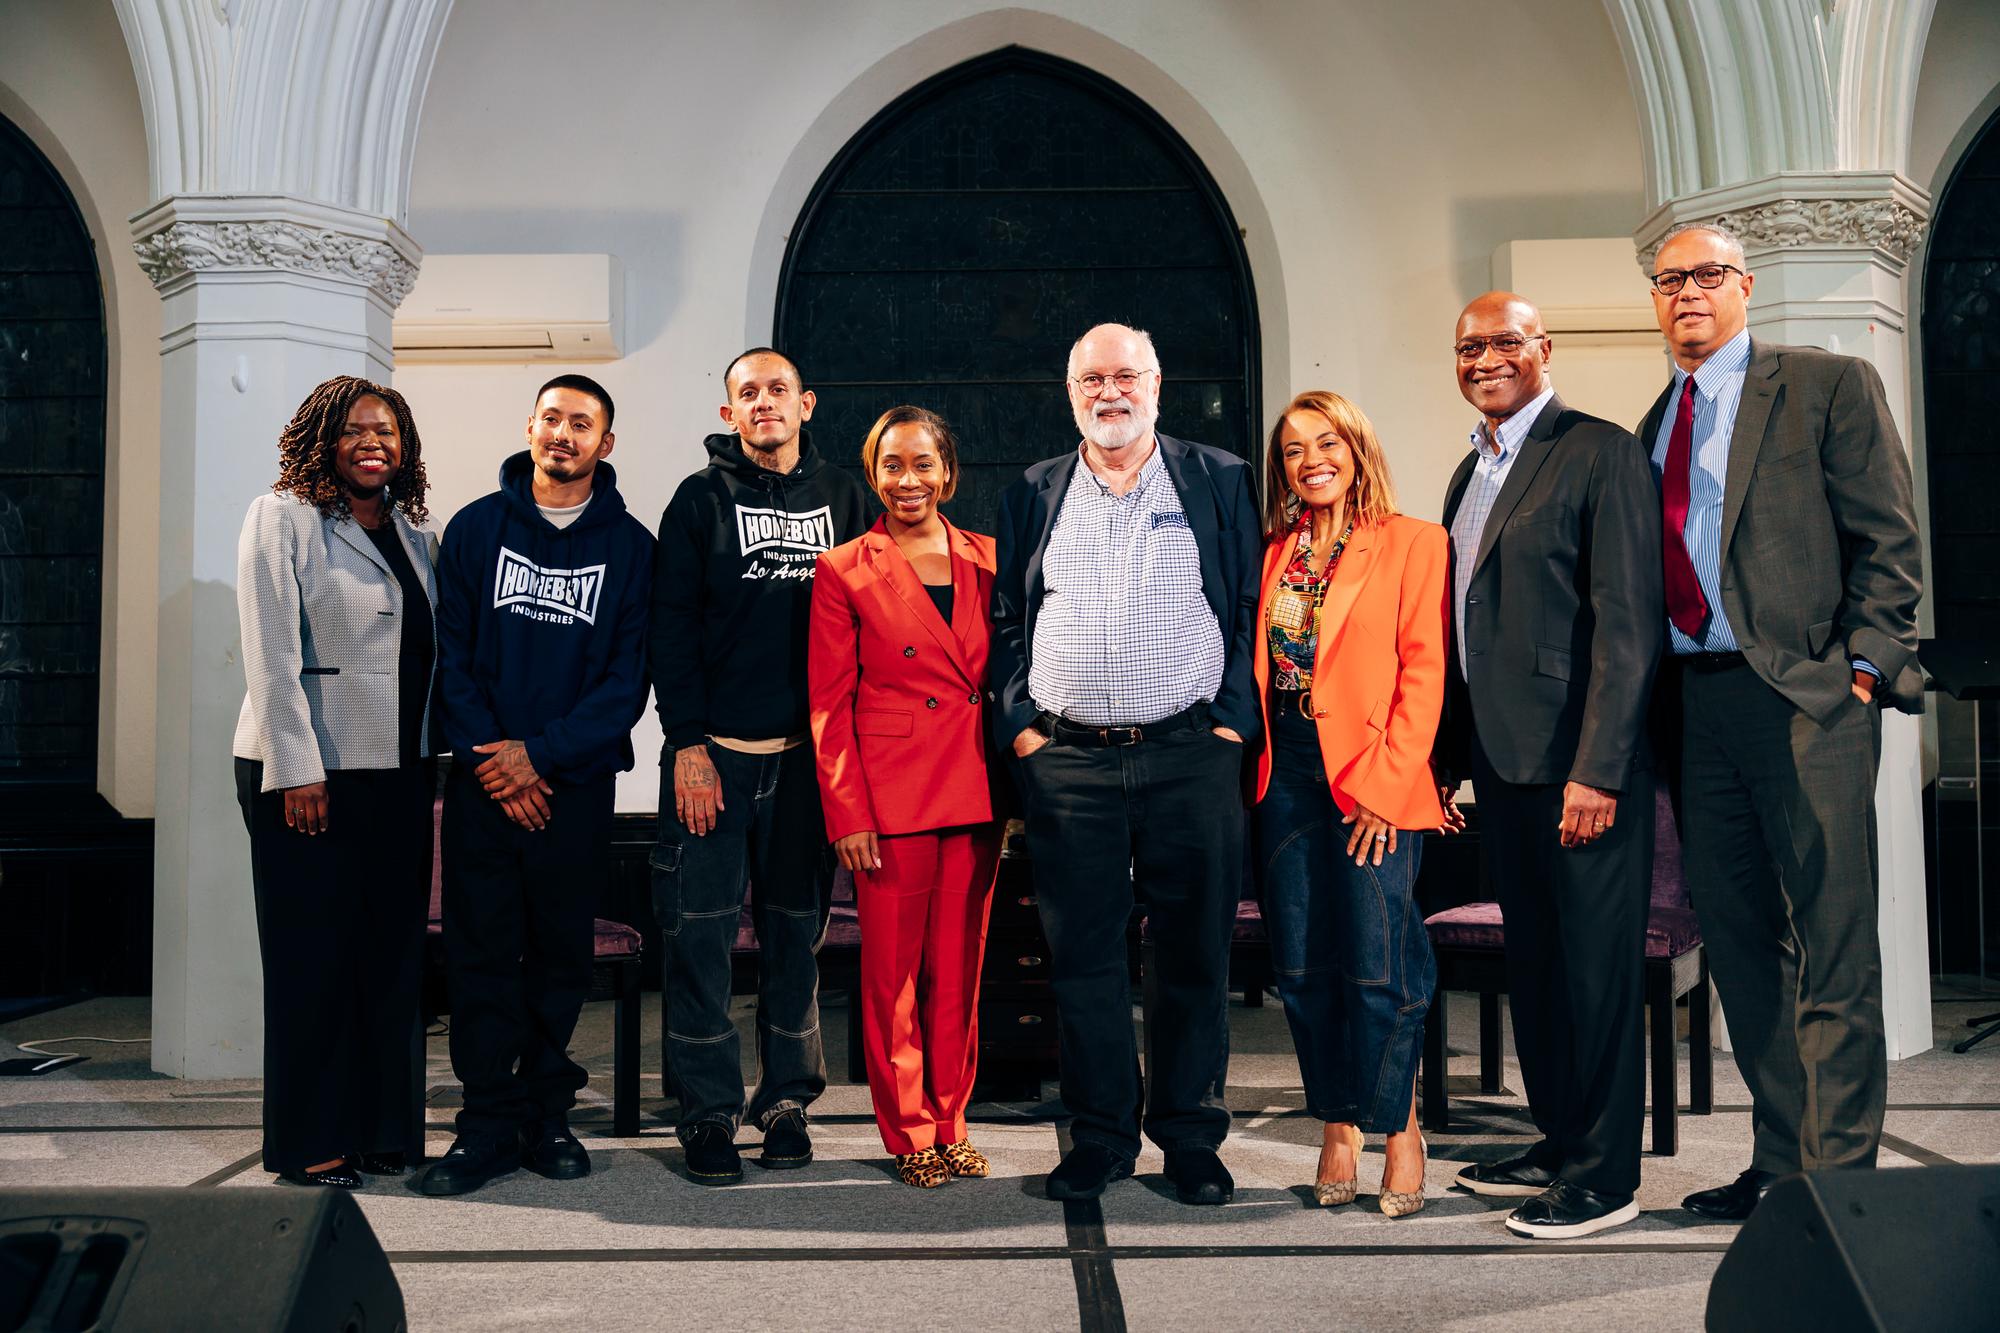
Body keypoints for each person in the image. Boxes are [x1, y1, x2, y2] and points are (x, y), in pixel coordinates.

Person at [1638, 224, 1923, 1222]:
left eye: (1704, 275)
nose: (1685, 293)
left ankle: (1838, 1189)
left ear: (1742, 285)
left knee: (1832, 945)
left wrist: (1861, 668)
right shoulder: (1655, 421)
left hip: (1805, 699)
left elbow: (1886, 538)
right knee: (1741, 943)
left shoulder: (1821, 385)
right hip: (1696, 705)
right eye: (1668, 279)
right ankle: (1779, 1161)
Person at [992, 322, 1261, 1207]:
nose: (1110, 391)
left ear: (1157, 383)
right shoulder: (1035, 488)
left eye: (1126, 375)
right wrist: (1023, 726)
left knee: (1191, 957)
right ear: (1070, 391)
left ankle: (1189, 1137)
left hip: (1192, 754)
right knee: (1085, 960)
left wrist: (1230, 726)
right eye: (1091, 378)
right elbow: (1006, 621)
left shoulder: (1217, 477)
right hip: (1069, 761)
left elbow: (1250, 605)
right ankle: (1101, 1137)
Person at [1435, 293, 1663, 1239]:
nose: (1485, 358)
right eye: (1469, 346)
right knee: (1537, 964)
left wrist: (1599, 768)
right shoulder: (1468, 470)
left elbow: (1628, 622)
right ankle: (1559, 1135)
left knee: (1596, 971)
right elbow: (1468, 628)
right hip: (1503, 762)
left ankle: (1607, 1174)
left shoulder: (1600, 450)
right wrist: (1449, 761)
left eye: (1503, 342)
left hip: (1579, 764)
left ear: (1543, 348)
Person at [419, 374, 655, 1197]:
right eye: (551, 418)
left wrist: (540, 757)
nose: (563, 433)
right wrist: (497, 759)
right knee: (481, 955)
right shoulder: (477, 530)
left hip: (575, 790)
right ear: (529, 427)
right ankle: (484, 1122)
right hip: (484, 785)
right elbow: (450, 663)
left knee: (558, 958)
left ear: (605, 443)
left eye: (581, 423)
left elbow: (626, 683)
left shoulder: (633, 549)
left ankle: (547, 1114)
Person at [648, 348, 873, 1185]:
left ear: (806, 403)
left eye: (779, 390)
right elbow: (669, 628)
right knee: (699, 941)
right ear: (729, 412)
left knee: (793, 940)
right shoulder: (698, 500)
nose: (765, 403)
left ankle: (785, 1102)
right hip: (717, 762)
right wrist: (689, 744)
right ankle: (707, 1113)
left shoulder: (848, 497)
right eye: (749, 393)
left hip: (809, 765)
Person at [232, 375, 438, 1188]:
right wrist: (297, 767)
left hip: (398, 771)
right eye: (354, 429)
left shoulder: (417, 534)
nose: (372, 443)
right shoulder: (280, 516)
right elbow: (270, 651)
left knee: (387, 959)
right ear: (322, 435)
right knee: (310, 958)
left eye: (386, 432)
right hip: (306, 772)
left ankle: (382, 1130)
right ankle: (311, 1139)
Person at [1250, 390, 1450, 1217]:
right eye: (1293, 450)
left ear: (1357, 447)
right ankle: (1338, 1122)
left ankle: (1399, 1127)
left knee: (1380, 963)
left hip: (1374, 772)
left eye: (1325, 442)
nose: (1310, 460)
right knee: (1299, 966)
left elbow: (1423, 671)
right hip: (1286, 770)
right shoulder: (1273, 551)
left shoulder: (1413, 543)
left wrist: (1386, 787)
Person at [808, 406, 1003, 1189]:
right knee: (892, 979)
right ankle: (909, 1130)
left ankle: (953, 1119)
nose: (908, 479)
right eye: (893, 464)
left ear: (947, 472)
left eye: (923, 463)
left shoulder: (991, 557)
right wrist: (848, 813)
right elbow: (829, 701)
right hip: (890, 799)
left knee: (958, 972)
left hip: (976, 787)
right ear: (874, 473)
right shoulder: (845, 567)